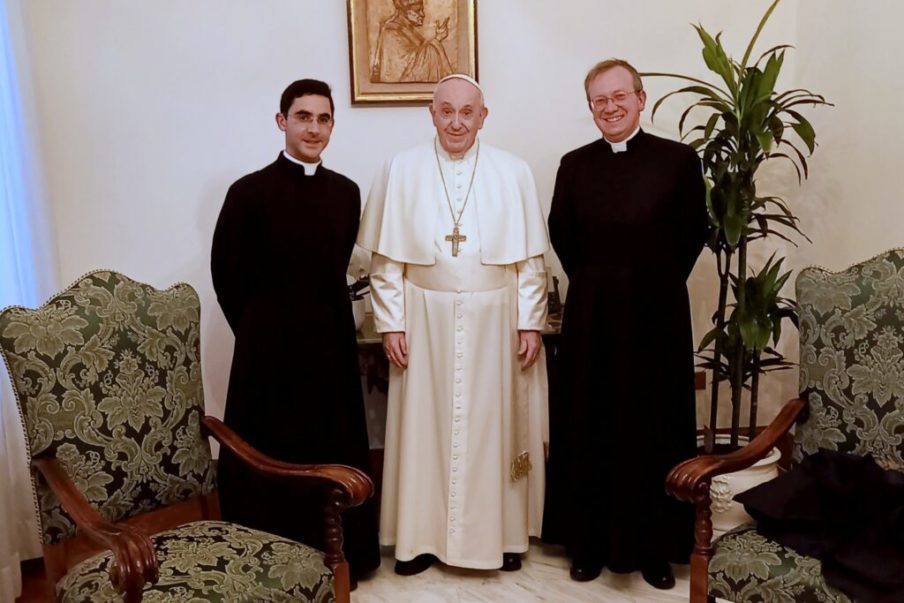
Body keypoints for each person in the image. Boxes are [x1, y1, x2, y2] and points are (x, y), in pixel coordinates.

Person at [357, 74, 550, 575]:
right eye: (447, 111)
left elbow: (530, 263)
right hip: (424, 321)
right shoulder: (400, 169)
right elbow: (386, 263)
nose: (457, 122)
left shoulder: (513, 171)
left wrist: (529, 322)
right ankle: (418, 540)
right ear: (432, 113)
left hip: (496, 319)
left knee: (493, 427)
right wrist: (392, 324)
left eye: (467, 112)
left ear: (483, 116)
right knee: (424, 429)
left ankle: (502, 537)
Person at [542, 59, 709, 590]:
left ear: (640, 98)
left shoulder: (678, 161)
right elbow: (562, 234)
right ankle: (588, 544)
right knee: (590, 424)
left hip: (658, 314)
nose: (610, 108)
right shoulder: (574, 165)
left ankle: (656, 549)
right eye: (600, 100)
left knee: (654, 426)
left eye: (619, 97)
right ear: (590, 107)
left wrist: (650, 280)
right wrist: (601, 282)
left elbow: (693, 232)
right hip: (591, 315)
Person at [210, 78, 380, 584]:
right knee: (270, 452)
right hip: (268, 354)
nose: (314, 128)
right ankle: (266, 562)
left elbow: (339, 265)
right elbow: (227, 275)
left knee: (333, 448)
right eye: (303, 117)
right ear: (282, 121)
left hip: (330, 348)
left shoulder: (346, 193)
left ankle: (343, 558)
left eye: (323, 119)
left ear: (332, 126)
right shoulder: (248, 193)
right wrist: (260, 333)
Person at [370, 0, 453, 83]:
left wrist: (438, 38)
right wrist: (437, 39)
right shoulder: (391, 33)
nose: (422, 14)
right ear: (403, 11)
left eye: (422, 10)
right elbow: (408, 68)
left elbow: (420, 52)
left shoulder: (408, 31)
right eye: (417, 10)